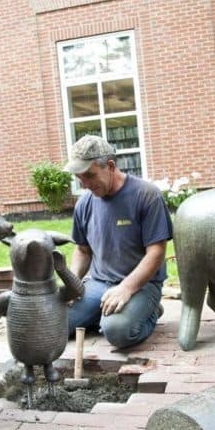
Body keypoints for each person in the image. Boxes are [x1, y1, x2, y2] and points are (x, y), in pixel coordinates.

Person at [63, 134, 173, 349]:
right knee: (56, 324)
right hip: (98, 284)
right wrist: (73, 284)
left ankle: (149, 311)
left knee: (116, 331)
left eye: (89, 175)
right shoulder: (84, 203)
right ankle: (105, 315)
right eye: (79, 178)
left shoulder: (146, 195)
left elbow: (156, 253)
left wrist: (126, 288)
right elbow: (83, 251)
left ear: (110, 166)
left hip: (141, 285)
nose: (84, 185)